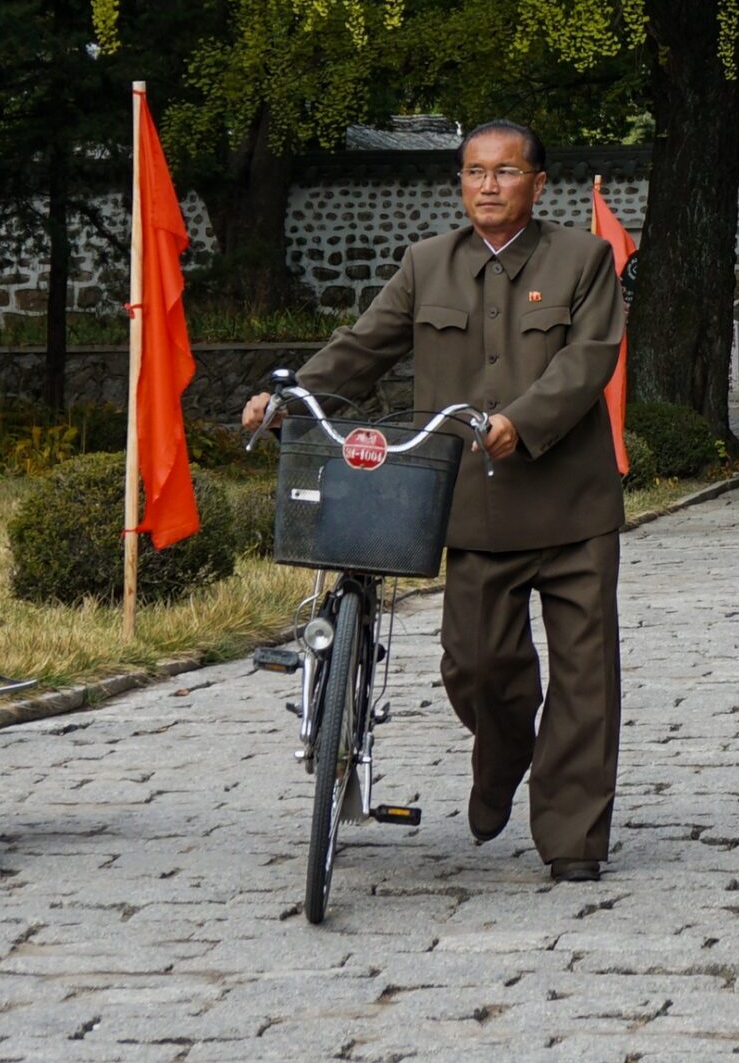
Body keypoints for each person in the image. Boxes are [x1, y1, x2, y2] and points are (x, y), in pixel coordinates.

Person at [247, 121, 626, 882]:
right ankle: (504, 753)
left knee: (586, 678)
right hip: (474, 509)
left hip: (573, 506)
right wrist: (291, 399)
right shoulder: (428, 264)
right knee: (476, 668)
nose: (489, 184)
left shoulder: (584, 260)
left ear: (538, 183)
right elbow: (365, 344)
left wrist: (526, 420)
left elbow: (589, 360)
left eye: (507, 171)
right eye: (475, 171)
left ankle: (573, 838)